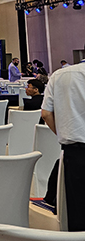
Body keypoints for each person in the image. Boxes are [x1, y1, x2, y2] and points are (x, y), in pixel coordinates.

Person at [41, 61, 85, 231]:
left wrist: (63, 133)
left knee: (78, 213)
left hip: (76, 152)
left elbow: (46, 114)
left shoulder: (61, 75)